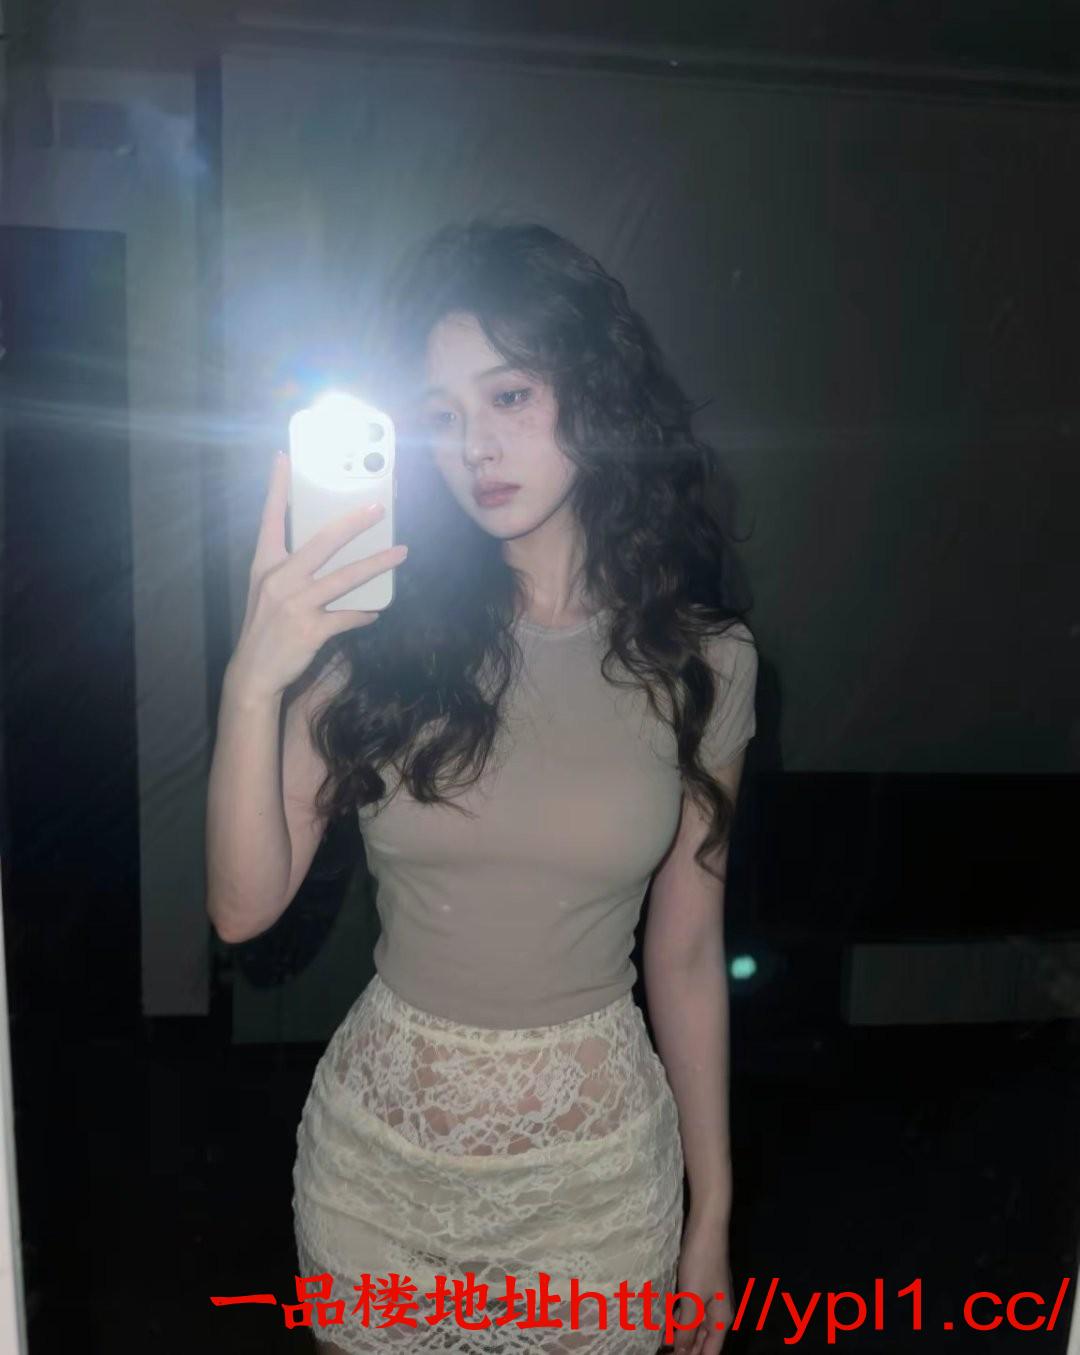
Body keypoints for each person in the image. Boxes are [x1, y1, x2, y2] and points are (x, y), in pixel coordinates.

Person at [206, 218, 758, 1355]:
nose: (476, 447)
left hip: (597, 1188)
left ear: (594, 390)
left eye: (509, 395)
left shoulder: (707, 662)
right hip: (378, 1180)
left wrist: (713, 1211)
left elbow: (689, 949)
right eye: (442, 415)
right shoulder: (374, 642)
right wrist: (254, 677)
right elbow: (242, 908)